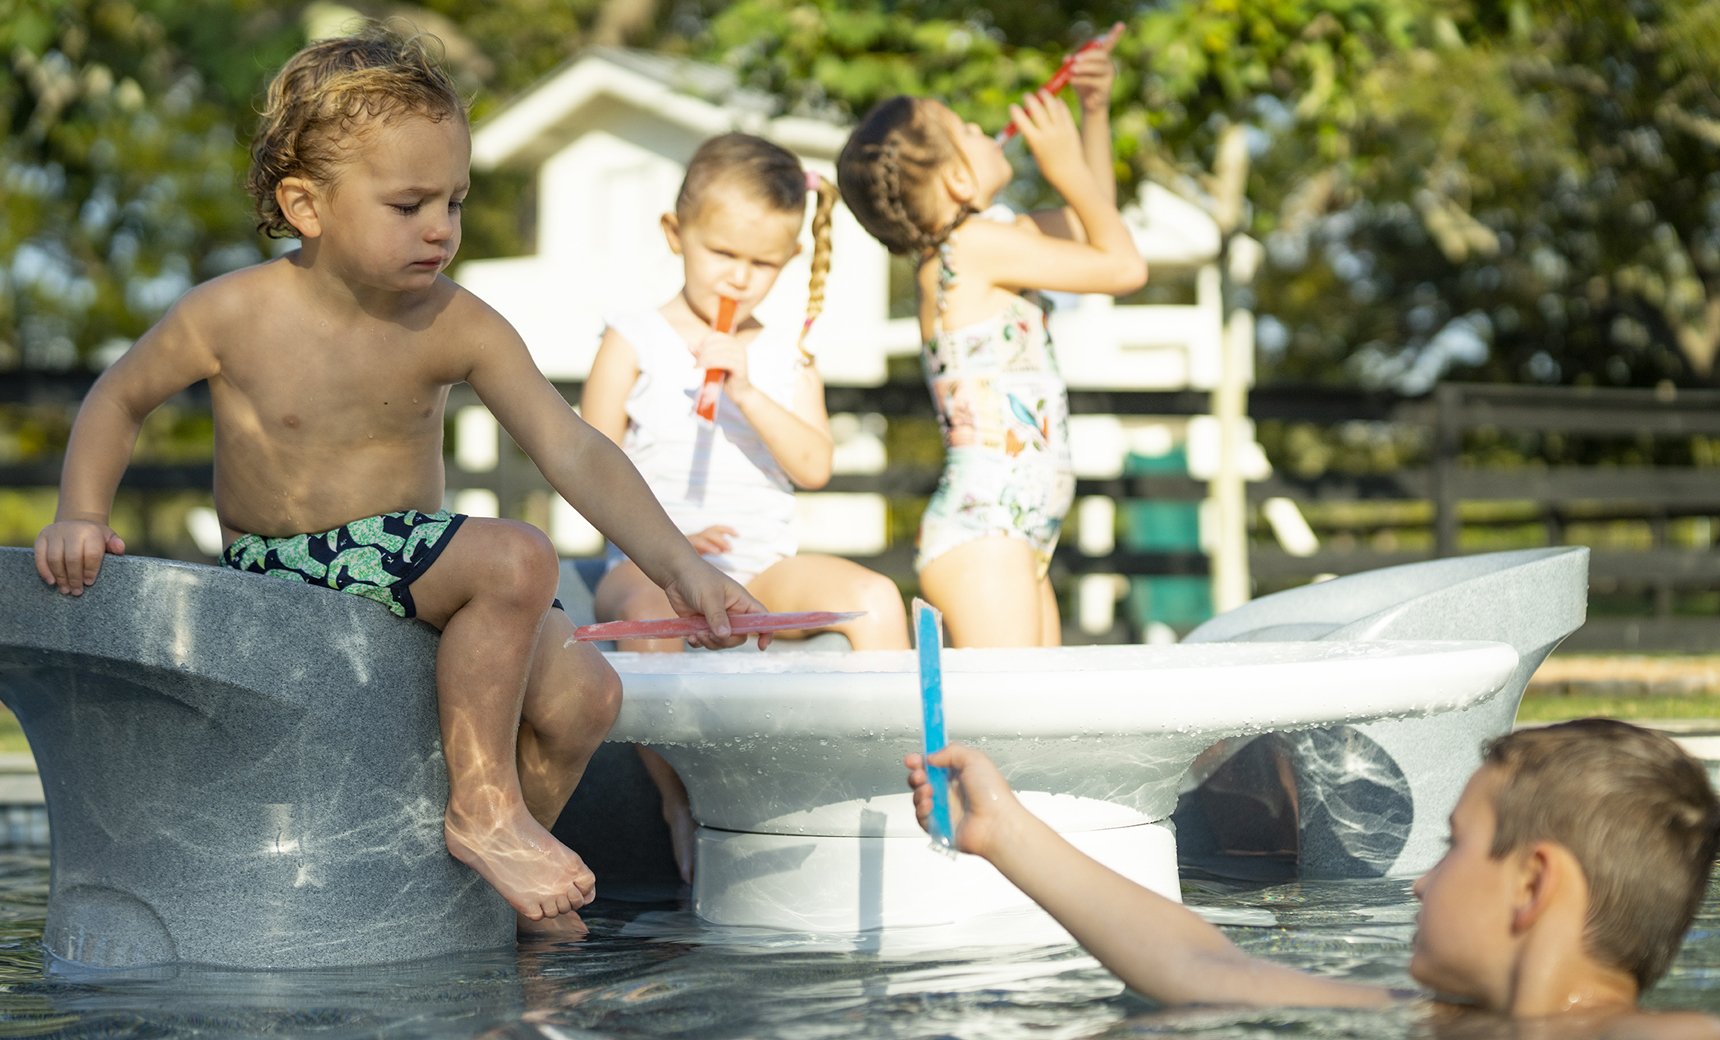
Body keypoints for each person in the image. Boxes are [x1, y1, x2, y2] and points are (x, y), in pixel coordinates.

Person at [31, 23, 767, 936]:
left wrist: (677, 566)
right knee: (513, 557)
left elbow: (569, 445)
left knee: (589, 694)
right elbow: (116, 398)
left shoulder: (459, 322)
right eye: (409, 203)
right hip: (285, 565)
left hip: (402, 567)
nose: (442, 229)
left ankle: (482, 877)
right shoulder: (233, 312)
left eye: (455, 201)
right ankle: (485, 811)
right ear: (306, 206)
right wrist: (81, 512)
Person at [905, 718, 1720, 1032]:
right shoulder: (1438, 1018)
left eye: (1454, 846)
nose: (1420, 884)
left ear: (1534, 887)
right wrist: (1006, 834)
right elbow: (1208, 971)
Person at [582, 132, 911, 881]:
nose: (740, 277)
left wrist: (748, 389)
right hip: (651, 563)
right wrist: (666, 542)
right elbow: (589, 464)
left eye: (762, 263)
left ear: (790, 259)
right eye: (722, 253)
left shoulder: (786, 354)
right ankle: (681, 798)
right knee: (651, 628)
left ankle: (881, 779)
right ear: (677, 235)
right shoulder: (632, 338)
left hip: (764, 564)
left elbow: (815, 464)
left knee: (876, 598)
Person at [835, 28, 1146, 649]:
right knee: (1013, 736)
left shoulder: (987, 242)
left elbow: (1096, 227)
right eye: (969, 130)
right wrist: (1061, 167)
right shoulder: (972, 248)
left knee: (1039, 738)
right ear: (956, 181)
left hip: (1013, 533)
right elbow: (1124, 268)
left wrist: (1094, 111)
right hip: (986, 535)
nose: (985, 129)